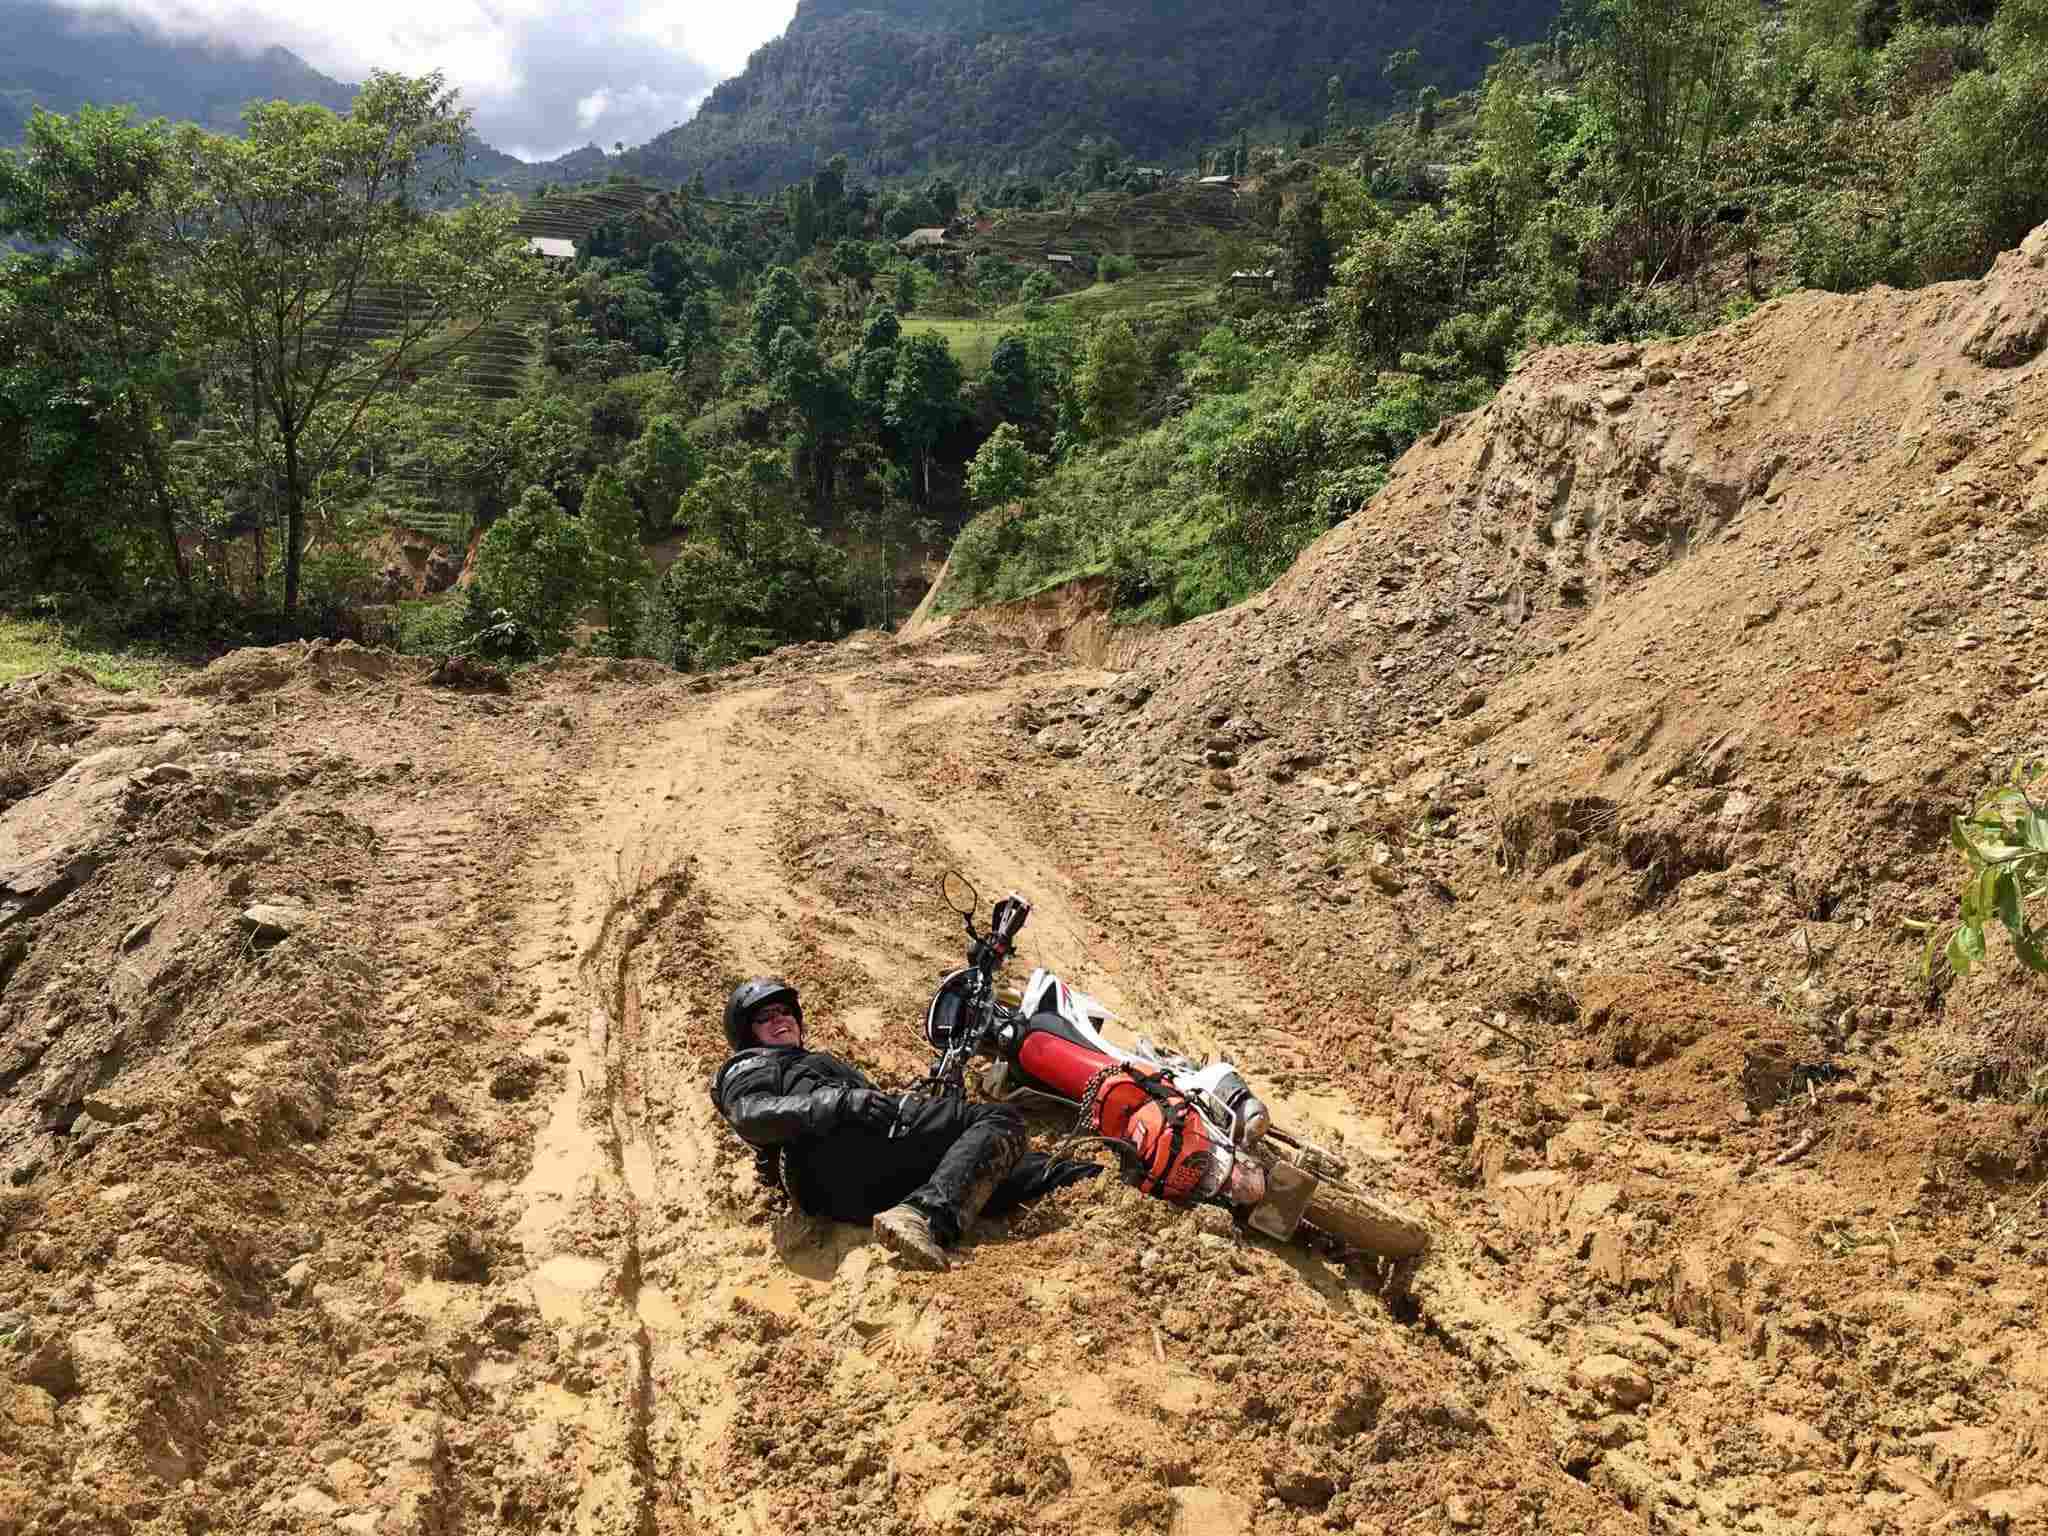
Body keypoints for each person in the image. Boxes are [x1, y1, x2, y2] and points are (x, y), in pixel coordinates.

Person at [711, 976, 1095, 1270]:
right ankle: (927, 1218)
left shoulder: (812, 1063)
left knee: (1004, 1164)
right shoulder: (751, 1065)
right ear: (747, 1034)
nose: (779, 1019)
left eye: (784, 1011)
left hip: (873, 1181)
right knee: (999, 1118)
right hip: (834, 1158)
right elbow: (750, 1113)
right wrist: (842, 1102)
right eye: (764, 1017)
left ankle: (1090, 1179)